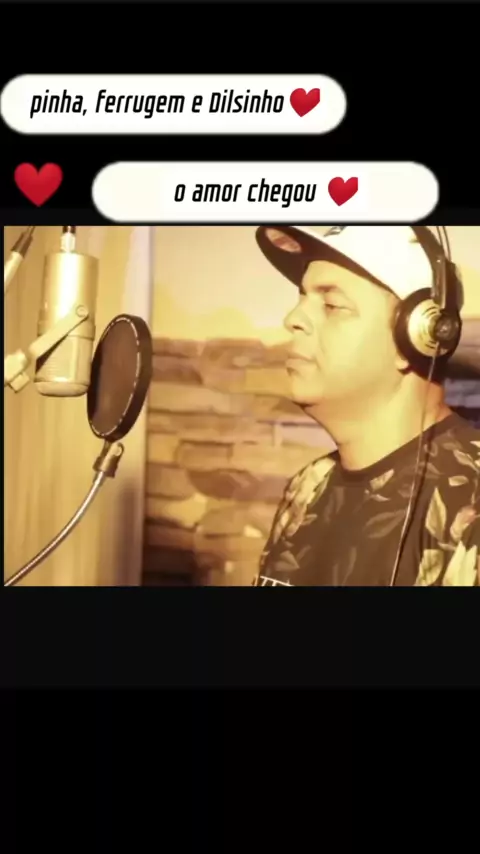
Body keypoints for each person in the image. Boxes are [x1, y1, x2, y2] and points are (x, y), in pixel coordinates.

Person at [251, 225, 480, 587]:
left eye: (332, 305)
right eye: (302, 298)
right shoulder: (309, 486)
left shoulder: (472, 502)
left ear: (420, 335)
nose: (292, 319)